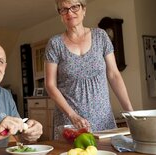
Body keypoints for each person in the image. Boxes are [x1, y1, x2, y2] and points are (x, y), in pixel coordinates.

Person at [44, 0, 133, 139]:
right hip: (70, 121)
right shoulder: (54, 44)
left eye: (75, 7)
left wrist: (130, 112)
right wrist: (73, 115)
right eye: (64, 9)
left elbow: (114, 75)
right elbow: (50, 85)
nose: (70, 12)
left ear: (84, 10)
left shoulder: (101, 36)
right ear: (60, 15)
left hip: (103, 120)